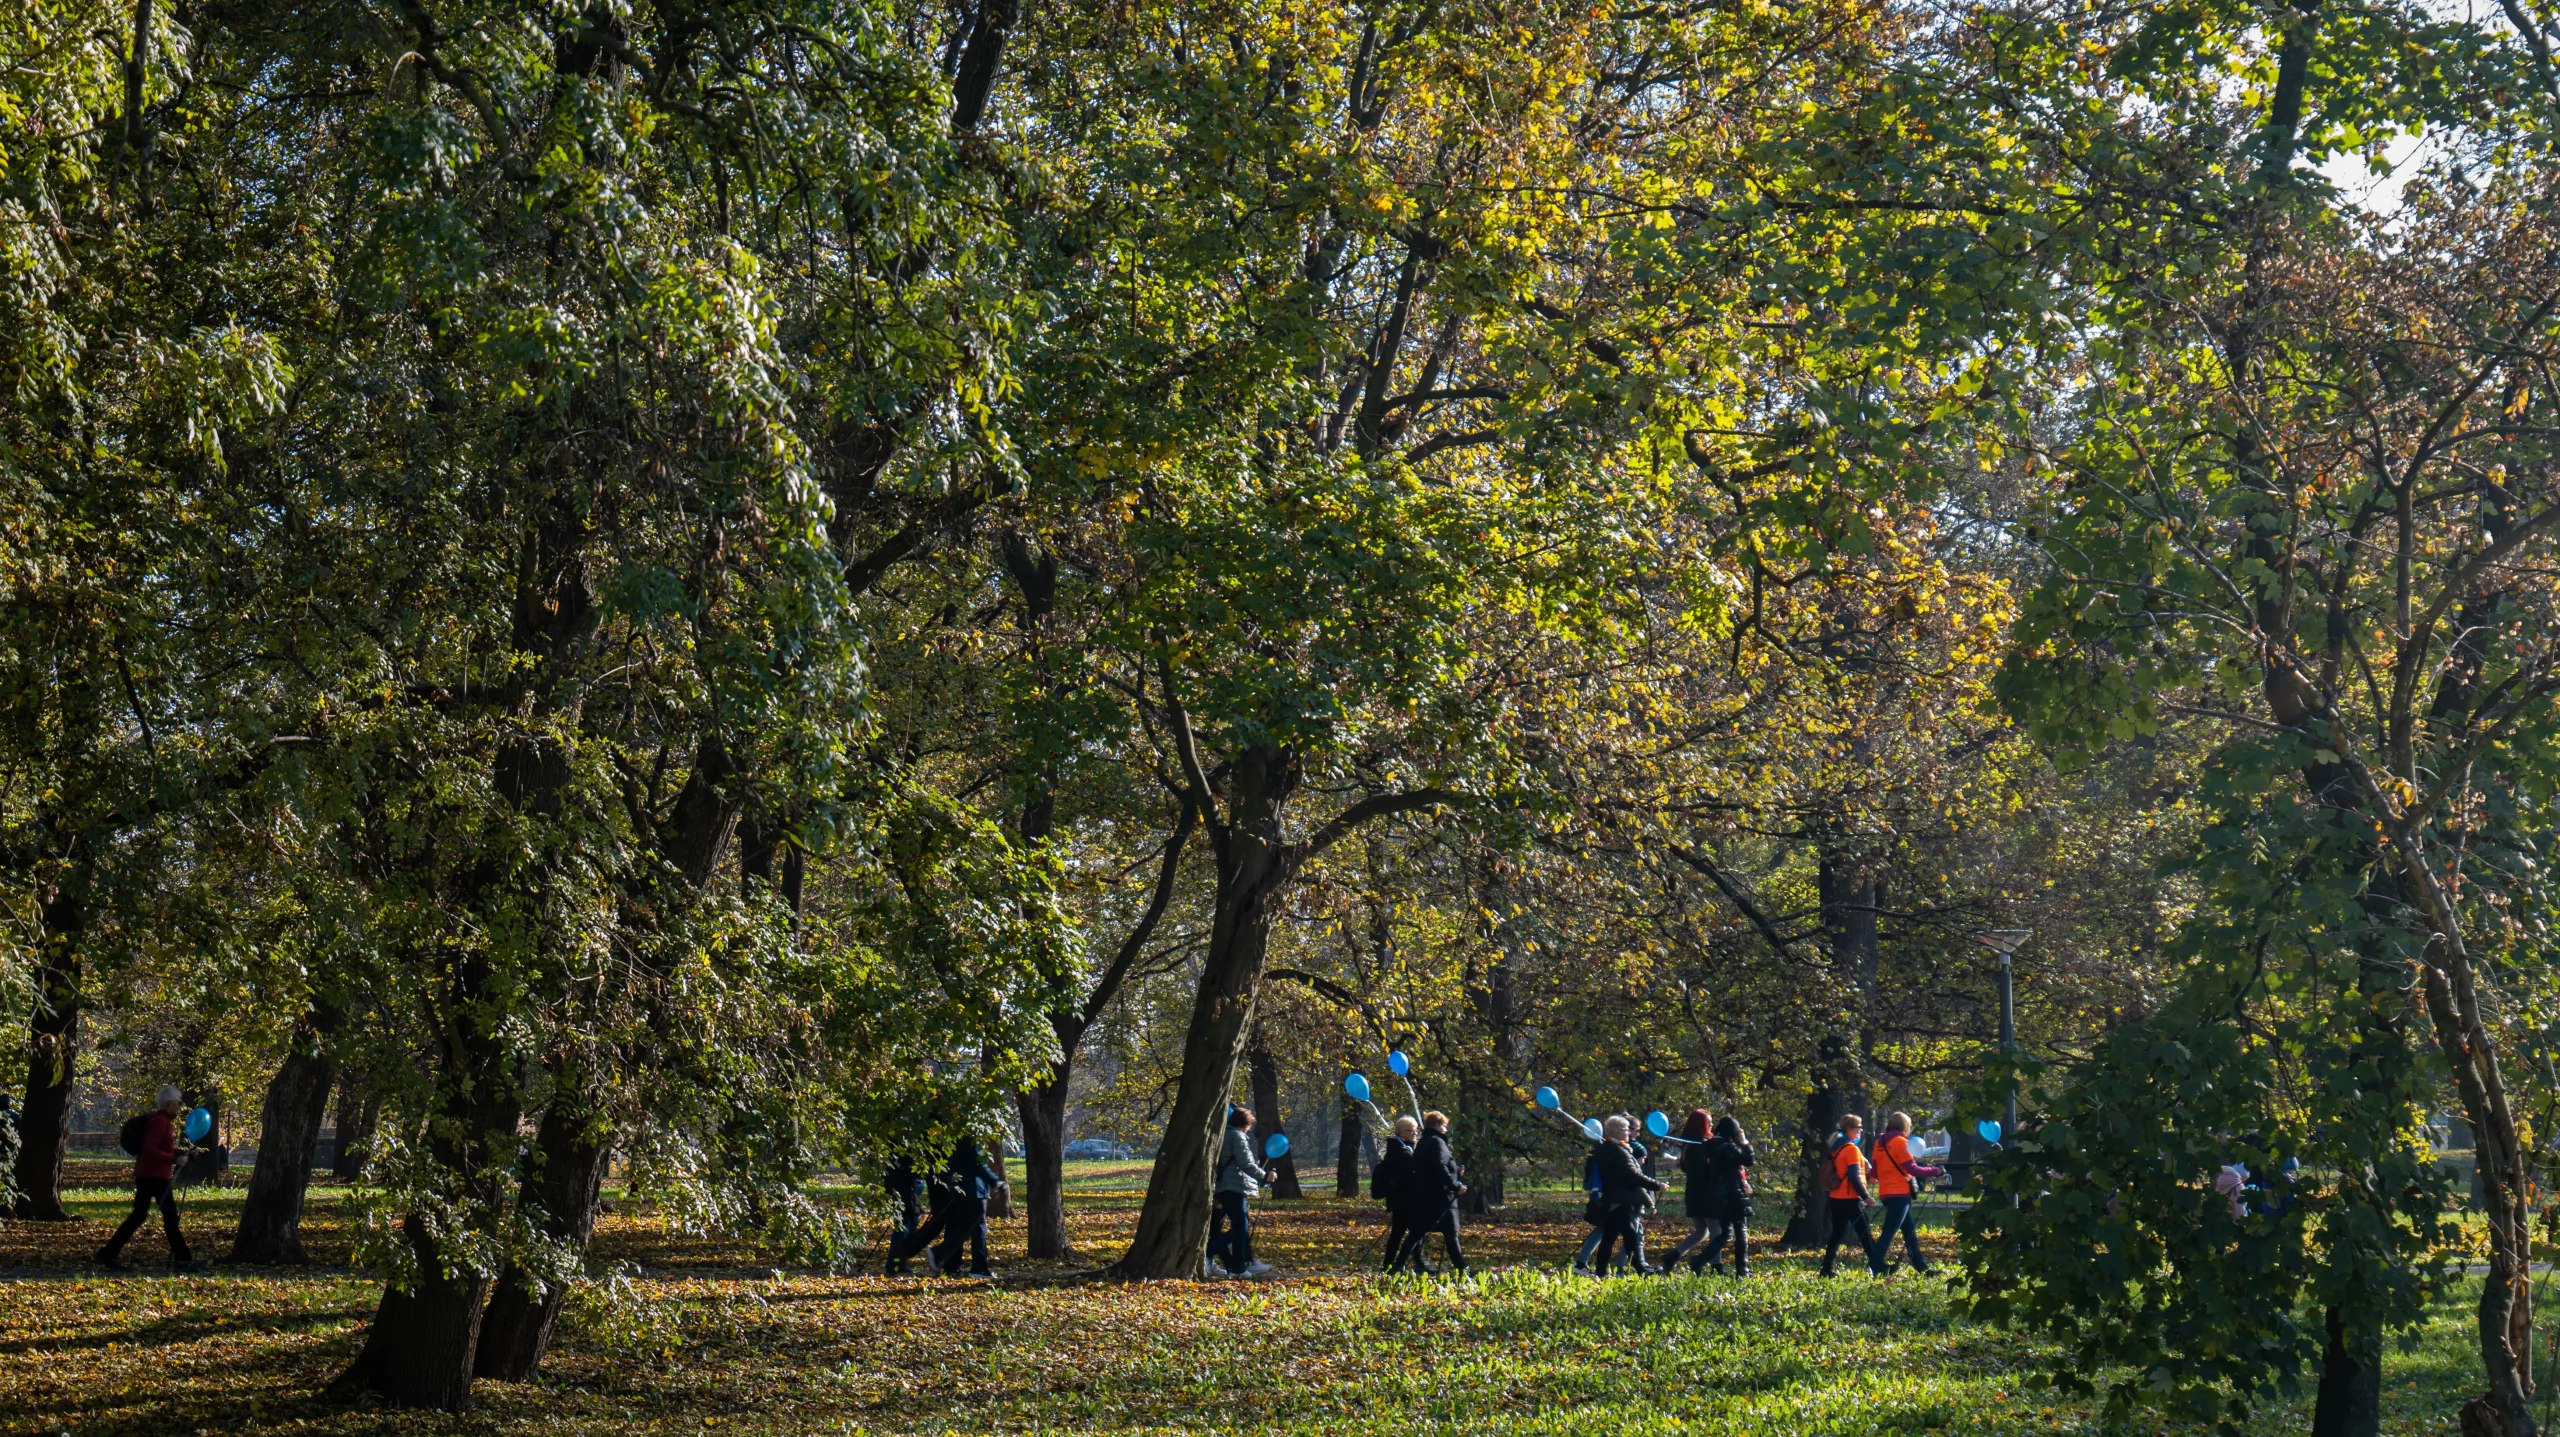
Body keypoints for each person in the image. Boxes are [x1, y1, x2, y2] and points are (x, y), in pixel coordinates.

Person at [96, 1086, 198, 1272]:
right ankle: (183, 1260)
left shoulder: (158, 1120)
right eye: (178, 1103)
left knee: (139, 1216)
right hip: (155, 1177)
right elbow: (150, 1150)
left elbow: (161, 1149)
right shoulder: (160, 1122)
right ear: (169, 1104)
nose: (180, 1106)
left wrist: (183, 1153)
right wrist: (175, 1159)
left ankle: (107, 1254)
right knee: (169, 1218)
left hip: (147, 1175)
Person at [1587, 1115, 1667, 1275]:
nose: (1628, 1132)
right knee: (1631, 1235)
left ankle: (1601, 1271)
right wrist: (1657, 1185)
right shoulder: (1618, 1151)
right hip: (1620, 1200)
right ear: (1616, 1132)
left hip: (1611, 1200)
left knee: (1610, 1237)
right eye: (1625, 1129)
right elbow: (1634, 1175)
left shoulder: (1606, 1148)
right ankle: (1641, 1267)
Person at [1391, 1111, 1468, 1275]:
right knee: (1451, 1234)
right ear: (1436, 1125)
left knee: (1417, 1232)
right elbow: (1439, 1167)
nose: (1445, 1130)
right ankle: (1463, 1269)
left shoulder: (1423, 1142)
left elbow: (1429, 1167)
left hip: (1424, 1196)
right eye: (1444, 1126)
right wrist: (1455, 1185)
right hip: (1441, 1198)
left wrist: (1455, 1171)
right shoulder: (1437, 1142)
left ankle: (1398, 1266)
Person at [1871, 1111, 1944, 1276]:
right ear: (1905, 1126)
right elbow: (1913, 1169)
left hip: (1886, 1193)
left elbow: (1875, 1173)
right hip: (1899, 1193)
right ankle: (1874, 1266)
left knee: (1909, 1233)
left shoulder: (1878, 1144)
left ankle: (1922, 1269)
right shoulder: (1901, 1143)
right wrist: (1935, 1171)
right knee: (1889, 1233)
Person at [1820, 1112, 1885, 1278]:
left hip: (1836, 1197)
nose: (1861, 1131)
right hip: (1850, 1199)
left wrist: (1868, 1177)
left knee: (1837, 1234)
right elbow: (1854, 1177)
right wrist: (1866, 1197)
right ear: (1849, 1129)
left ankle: (1826, 1268)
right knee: (1864, 1234)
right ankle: (1878, 1266)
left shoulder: (1836, 1147)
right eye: (1858, 1128)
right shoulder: (1851, 1150)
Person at [1210, 1106, 1273, 1277]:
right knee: (1240, 1228)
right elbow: (1246, 1163)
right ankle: (1208, 1252)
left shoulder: (1223, 1135)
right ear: (1243, 1124)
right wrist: (1265, 1175)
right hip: (1233, 1186)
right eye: (1249, 1125)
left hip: (1223, 1186)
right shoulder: (1237, 1136)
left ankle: (1237, 1267)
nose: (1249, 1129)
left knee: (1235, 1227)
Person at [932, 1134, 1003, 1278]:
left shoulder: (955, 1134)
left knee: (966, 1226)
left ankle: (954, 1262)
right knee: (976, 1227)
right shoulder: (971, 1135)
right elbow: (978, 1163)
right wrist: (995, 1181)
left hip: (962, 1188)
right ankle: (975, 1267)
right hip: (973, 1189)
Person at [1665, 1109, 1716, 1270]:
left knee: (1702, 1231)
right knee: (1716, 1231)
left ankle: (1673, 1256)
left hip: (1692, 1193)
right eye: (1709, 1122)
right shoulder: (1700, 1145)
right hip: (1705, 1194)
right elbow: (1706, 1170)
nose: (1712, 1125)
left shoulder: (1687, 1144)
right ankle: (1715, 1264)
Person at [1374, 1115, 1418, 1272]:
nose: (1415, 1134)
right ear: (1401, 1132)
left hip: (1403, 1197)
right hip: (1402, 1198)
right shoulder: (1401, 1150)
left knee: (1404, 1232)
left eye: (1415, 1131)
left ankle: (1394, 1263)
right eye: (1411, 1131)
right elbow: (1408, 1172)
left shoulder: (1402, 1147)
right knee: (1405, 1232)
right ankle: (1393, 1264)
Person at [881, 1153, 927, 1275]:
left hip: (909, 1190)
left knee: (911, 1225)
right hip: (901, 1189)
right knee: (902, 1229)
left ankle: (901, 1262)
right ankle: (893, 1265)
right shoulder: (898, 1151)